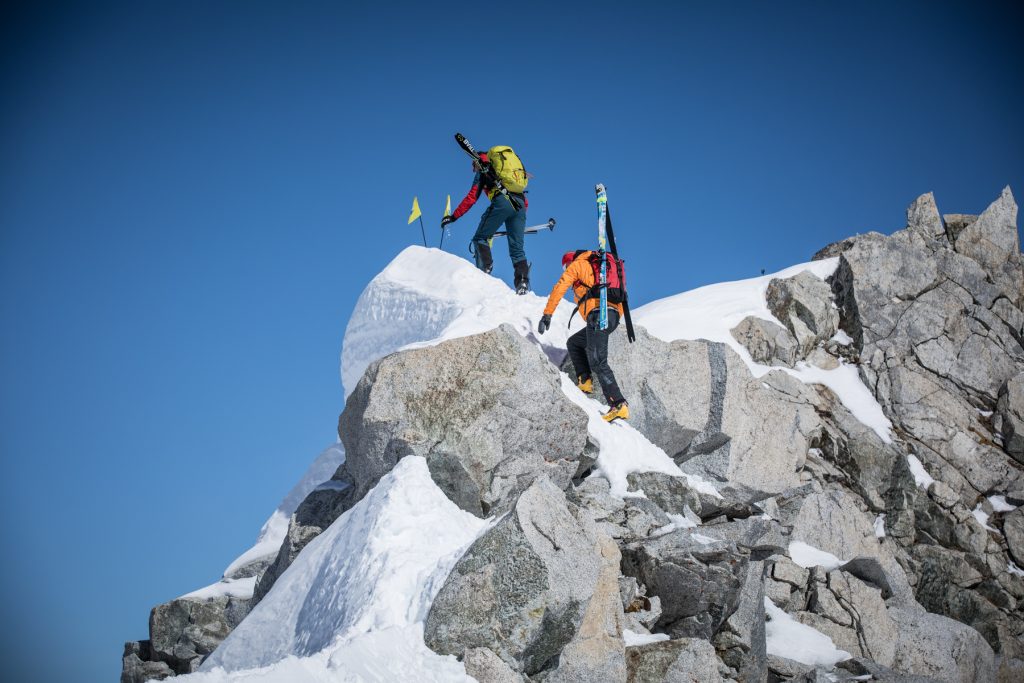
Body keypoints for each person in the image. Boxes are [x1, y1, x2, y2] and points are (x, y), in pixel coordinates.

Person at [537, 250, 629, 422]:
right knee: (574, 343)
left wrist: (547, 314)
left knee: (598, 361)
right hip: (612, 316)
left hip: (598, 315)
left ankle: (619, 403)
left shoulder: (579, 265)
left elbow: (560, 286)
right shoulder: (602, 268)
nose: (566, 269)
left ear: (569, 262)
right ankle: (585, 381)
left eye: (566, 266)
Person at [441, 152, 531, 294]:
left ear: (477, 161)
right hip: (520, 205)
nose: (473, 170)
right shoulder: (506, 172)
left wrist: (453, 217)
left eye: (473, 166)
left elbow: (472, 197)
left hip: (503, 202)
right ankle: (522, 283)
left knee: (480, 238)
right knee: (517, 250)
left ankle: (484, 271)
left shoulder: (484, 169)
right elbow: (524, 202)